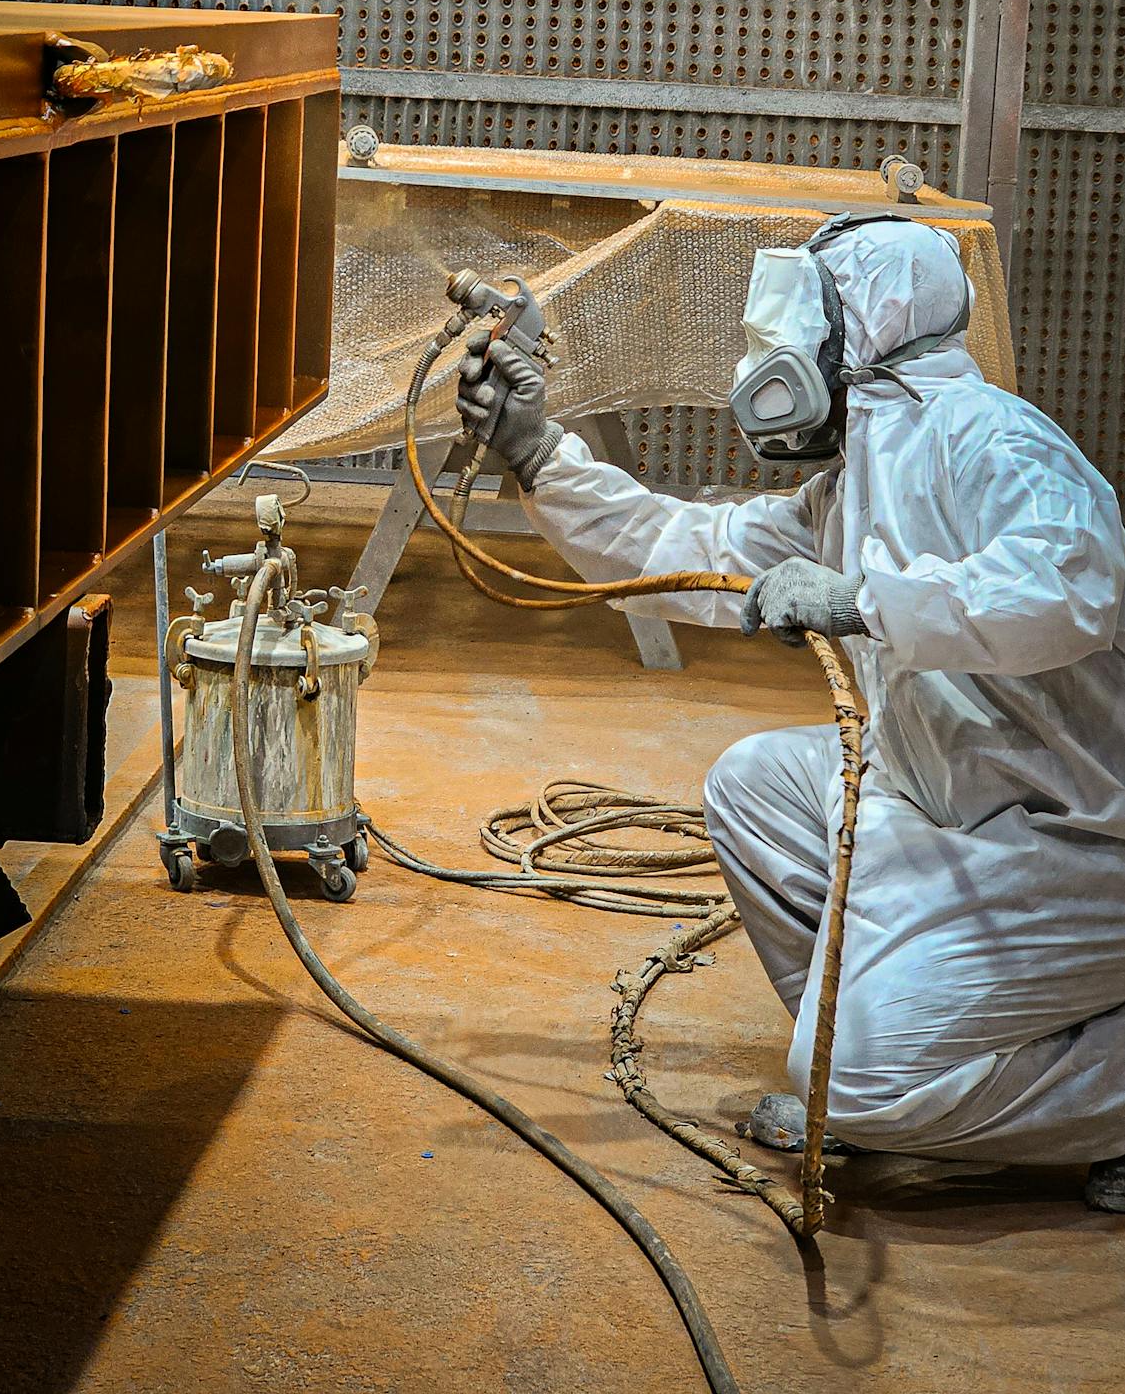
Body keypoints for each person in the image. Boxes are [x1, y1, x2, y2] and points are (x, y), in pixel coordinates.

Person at [457, 215, 1125, 1211]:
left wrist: (865, 600)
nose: (767, 366)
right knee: (753, 782)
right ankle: (881, 1066)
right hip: (951, 801)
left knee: (850, 1077)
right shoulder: (848, 481)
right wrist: (536, 454)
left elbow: (1075, 581)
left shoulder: (994, 438)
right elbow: (689, 545)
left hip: (1072, 840)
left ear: (853, 331)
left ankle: (1044, 1094)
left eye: (790, 334)